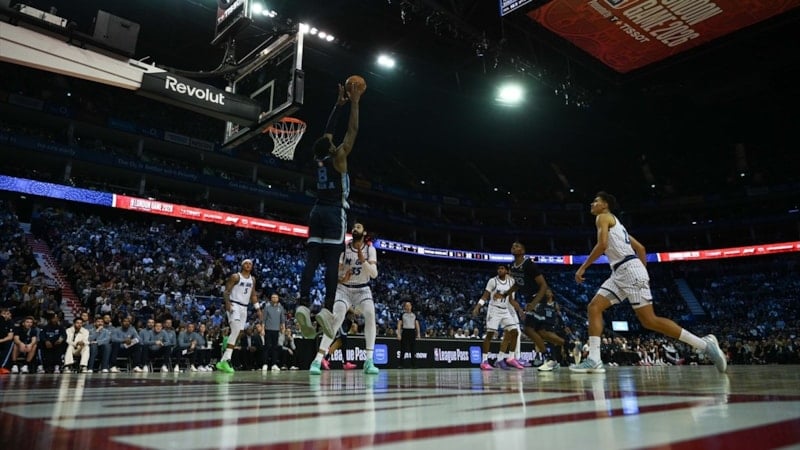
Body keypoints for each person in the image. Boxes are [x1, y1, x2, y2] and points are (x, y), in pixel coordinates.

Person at [571, 191, 727, 373]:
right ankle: (594, 360)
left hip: (628, 270)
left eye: (596, 201)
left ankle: (705, 344)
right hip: (622, 271)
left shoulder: (602, 217)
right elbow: (641, 248)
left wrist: (583, 267)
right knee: (594, 307)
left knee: (649, 320)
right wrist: (641, 270)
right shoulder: (619, 227)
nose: (592, 204)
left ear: (605, 205)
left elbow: (602, 244)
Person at [296, 80, 363, 340]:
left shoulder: (319, 158)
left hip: (317, 212)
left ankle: (302, 303)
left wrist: (337, 106)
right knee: (332, 263)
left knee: (312, 261)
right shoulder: (339, 157)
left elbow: (327, 133)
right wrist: (354, 103)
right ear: (332, 147)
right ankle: (326, 308)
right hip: (335, 212)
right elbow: (352, 130)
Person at [309, 222, 379, 375]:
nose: (355, 228)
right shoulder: (344, 248)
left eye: (358, 227)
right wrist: (342, 278)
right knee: (337, 318)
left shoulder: (370, 249)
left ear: (364, 232)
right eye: (353, 227)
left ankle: (369, 361)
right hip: (344, 289)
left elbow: (374, 274)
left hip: (362, 289)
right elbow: (334, 272)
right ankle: (317, 360)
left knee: (370, 314)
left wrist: (363, 260)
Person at [503, 241, 553, 367]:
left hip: (538, 298)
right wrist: (505, 294)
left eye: (517, 246)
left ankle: (549, 357)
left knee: (529, 329)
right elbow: (518, 284)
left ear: (523, 251)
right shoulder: (512, 266)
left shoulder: (529, 265)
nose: (514, 247)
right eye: (513, 246)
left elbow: (543, 285)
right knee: (537, 331)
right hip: (530, 300)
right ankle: (551, 356)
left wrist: (534, 303)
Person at [473, 264, 525, 370]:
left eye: (502, 268)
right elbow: (485, 296)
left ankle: (510, 358)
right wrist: (478, 307)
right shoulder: (493, 281)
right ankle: (484, 361)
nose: (500, 270)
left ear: (506, 271)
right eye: (498, 268)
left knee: (515, 332)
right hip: (494, 310)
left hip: (505, 310)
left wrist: (519, 309)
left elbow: (511, 300)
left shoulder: (511, 282)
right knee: (490, 334)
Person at [216, 259, 262, 373]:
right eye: (246, 263)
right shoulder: (235, 277)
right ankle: (226, 360)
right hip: (234, 305)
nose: (248, 265)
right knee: (236, 330)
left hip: (244, 307)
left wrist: (258, 309)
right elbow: (226, 291)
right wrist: (227, 303)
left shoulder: (252, 279)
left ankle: (223, 360)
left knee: (240, 333)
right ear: (242, 266)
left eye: (250, 264)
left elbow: (253, 295)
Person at [530, 289, 567, 371]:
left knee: (553, 344)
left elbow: (559, 316)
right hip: (542, 325)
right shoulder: (541, 304)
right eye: (546, 292)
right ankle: (548, 360)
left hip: (552, 326)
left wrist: (561, 325)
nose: (547, 293)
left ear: (552, 294)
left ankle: (553, 361)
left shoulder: (555, 304)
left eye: (549, 292)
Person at [262, 293, 286, 372]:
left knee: (275, 347)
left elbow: (282, 319)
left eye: (276, 297)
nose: (274, 298)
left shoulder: (280, 308)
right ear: (271, 299)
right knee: (267, 347)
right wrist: (262, 329)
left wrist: (283, 327)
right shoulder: (267, 307)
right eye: (273, 297)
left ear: (278, 299)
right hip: (268, 329)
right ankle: (265, 364)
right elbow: (264, 319)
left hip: (276, 330)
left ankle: (274, 364)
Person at [397, 301, 420, 369]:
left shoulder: (414, 314)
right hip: (405, 331)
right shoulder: (402, 315)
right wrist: (398, 334)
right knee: (403, 349)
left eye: (409, 305)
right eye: (406, 306)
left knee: (413, 349)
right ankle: (401, 365)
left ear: (411, 307)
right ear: (405, 307)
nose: (408, 307)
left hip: (412, 331)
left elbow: (417, 324)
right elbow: (399, 324)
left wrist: (418, 333)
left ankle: (414, 365)